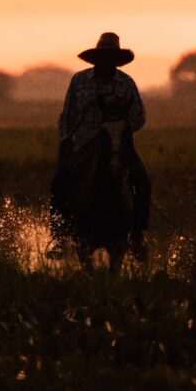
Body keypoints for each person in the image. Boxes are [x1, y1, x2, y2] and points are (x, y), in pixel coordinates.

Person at [47, 31, 151, 260]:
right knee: (59, 181)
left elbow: (139, 117)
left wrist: (119, 126)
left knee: (143, 182)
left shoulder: (126, 83)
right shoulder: (79, 81)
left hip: (118, 145)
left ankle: (137, 236)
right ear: (96, 58)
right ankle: (59, 236)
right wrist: (66, 139)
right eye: (103, 57)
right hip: (84, 145)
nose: (107, 61)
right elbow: (67, 114)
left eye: (111, 57)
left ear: (117, 60)